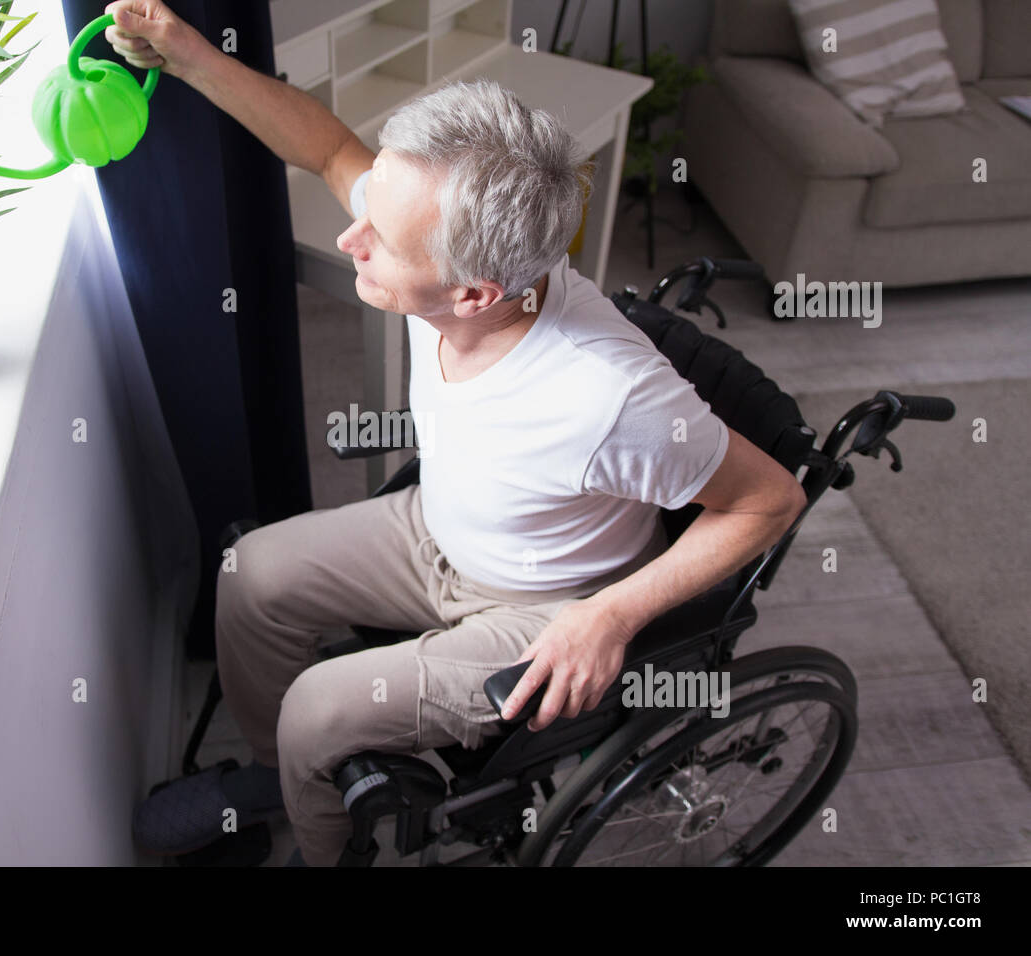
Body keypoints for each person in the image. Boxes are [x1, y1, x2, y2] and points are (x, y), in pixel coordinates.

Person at [105, 0, 806, 867]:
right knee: (247, 577)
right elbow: (325, 147)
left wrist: (610, 618)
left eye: (379, 240)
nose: (349, 235)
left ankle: (321, 845)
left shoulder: (610, 397)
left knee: (319, 708)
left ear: (475, 294)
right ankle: (285, 779)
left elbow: (770, 501)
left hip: (541, 606)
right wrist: (189, 56)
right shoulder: (441, 232)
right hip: (436, 529)